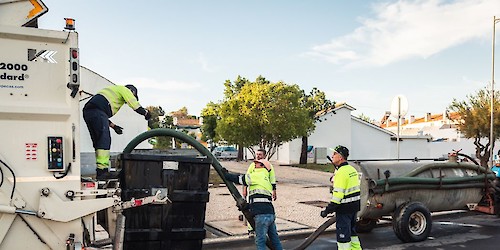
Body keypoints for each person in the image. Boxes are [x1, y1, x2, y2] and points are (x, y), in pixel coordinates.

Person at [83, 84, 151, 180]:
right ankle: (102, 171)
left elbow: (101, 115)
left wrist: (114, 126)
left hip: (89, 113)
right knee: (104, 140)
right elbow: (135, 105)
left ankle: (100, 171)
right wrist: (146, 113)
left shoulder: (112, 92)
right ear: (133, 92)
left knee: (98, 142)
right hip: (97, 112)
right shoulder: (124, 90)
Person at [223, 149, 282, 250]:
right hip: (270, 213)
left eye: (258, 163)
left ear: (263, 166)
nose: (255, 164)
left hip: (261, 215)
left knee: (260, 241)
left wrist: (226, 175)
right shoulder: (266, 179)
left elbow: (239, 179)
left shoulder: (257, 175)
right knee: (274, 239)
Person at [320, 145, 362, 250]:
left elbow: (337, 196)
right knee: (352, 234)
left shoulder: (341, 173)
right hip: (354, 208)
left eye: (334, 154)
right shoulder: (352, 170)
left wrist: (327, 210)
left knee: (343, 239)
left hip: (344, 210)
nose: (332, 156)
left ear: (341, 157)